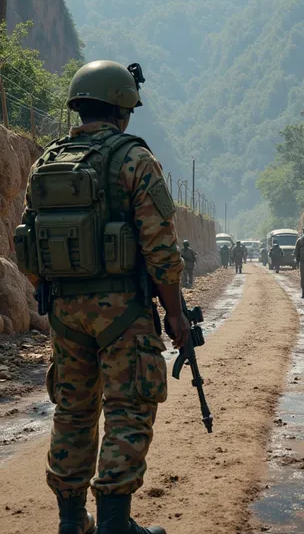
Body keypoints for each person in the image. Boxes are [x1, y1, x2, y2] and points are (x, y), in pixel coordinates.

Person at [17, 60, 190, 534]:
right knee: (129, 408)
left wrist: (50, 296)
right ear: (122, 108)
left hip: (65, 313)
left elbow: (28, 241)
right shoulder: (135, 160)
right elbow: (160, 249)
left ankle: (72, 521)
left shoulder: (46, 161)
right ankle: (116, 522)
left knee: (72, 410)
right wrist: (174, 315)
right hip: (124, 313)